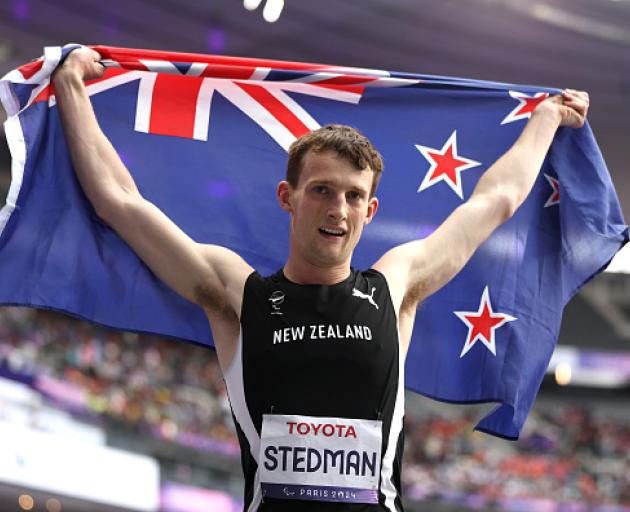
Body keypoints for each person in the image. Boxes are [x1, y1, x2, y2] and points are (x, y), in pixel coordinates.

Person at [52, 47, 589, 512]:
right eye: (323, 190)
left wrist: (546, 118)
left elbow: (494, 201)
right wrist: (71, 87)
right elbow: (119, 202)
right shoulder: (240, 295)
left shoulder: (394, 286)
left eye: (354, 196)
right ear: (289, 198)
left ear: (370, 210)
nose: (339, 208)